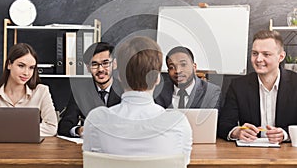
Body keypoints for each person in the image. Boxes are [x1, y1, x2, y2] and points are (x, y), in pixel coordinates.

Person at [83, 36, 192, 164]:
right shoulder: (178, 123)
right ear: (157, 78)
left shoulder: (96, 119)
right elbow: (183, 162)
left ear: (119, 77)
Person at [218, 30, 297, 144]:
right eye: (255, 53)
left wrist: (285, 134)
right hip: (249, 154)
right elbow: (224, 124)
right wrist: (237, 132)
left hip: (288, 155)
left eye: (266, 54)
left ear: (281, 57)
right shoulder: (238, 86)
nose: (259, 59)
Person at [58, 42, 122, 138]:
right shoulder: (80, 91)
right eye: (94, 64)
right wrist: (79, 130)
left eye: (105, 63)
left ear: (114, 64)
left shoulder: (125, 90)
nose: (100, 69)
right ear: (88, 68)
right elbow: (64, 125)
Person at [0, 43, 57, 136]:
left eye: (31, 68)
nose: (26, 73)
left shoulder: (41, 91)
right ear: (9, 64)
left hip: (31, 149)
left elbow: (51, 127)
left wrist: (12, 130)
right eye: (21, 66)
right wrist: (27, 129)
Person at [155, 46, 221, 109]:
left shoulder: (211, 92)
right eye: (172, 67)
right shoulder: (158, 91)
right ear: (168, 71)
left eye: (183, 64)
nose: (178, 71)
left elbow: (209, 119)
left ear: (194, 67)